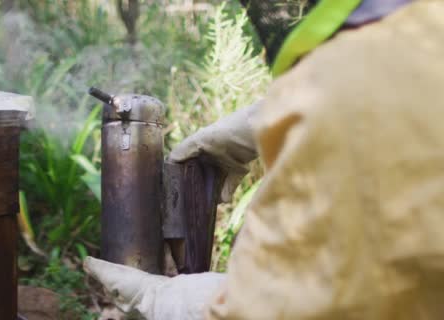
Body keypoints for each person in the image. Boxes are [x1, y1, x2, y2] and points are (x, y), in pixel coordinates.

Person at [84, 0, 444, 319]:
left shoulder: (346, 72)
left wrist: (162, 299)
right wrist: (270, 113)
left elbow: (288, 305)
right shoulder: (421, 28)